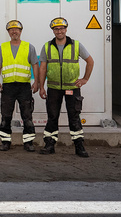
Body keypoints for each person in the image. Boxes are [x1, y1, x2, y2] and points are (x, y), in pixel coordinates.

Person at [38, 17, 94, 158]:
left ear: (66, 29)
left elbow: (90, 61)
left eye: (62, 28)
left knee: (74, 117)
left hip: (72, 88)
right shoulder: (47, 46)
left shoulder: (76, 45)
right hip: (53, 88)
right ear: (53, 31)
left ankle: (79, 146)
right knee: (52, 117)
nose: (59, 31)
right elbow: (42, 68)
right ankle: (49, 145)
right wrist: (41, 87)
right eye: (56, 29)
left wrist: (85, 79)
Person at [0, 20, 39, 152]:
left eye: (16, 29)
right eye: (11, 30)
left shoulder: (29, 47)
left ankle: (28, 142)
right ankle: (5, 142)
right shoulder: (2, 48)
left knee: (27, 116)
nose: (14, 31)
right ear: (8, 32)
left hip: (24, 87)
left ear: (21, 31)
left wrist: (36, 82)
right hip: (8, 87)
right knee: (6, 116)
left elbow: (35, 65)